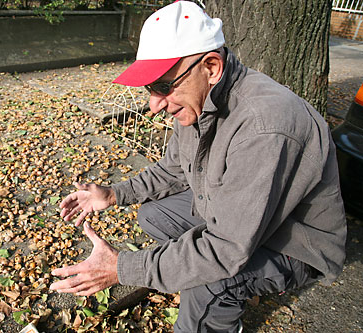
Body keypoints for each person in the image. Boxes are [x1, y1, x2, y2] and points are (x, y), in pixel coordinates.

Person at [49, 1, 347, 332]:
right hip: (242, 219)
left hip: (294, 243)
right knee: (154, 216)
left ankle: (215, 309)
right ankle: (192, 271)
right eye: (150, 88)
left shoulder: (264, 126)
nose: (154, 105)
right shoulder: (200, 101)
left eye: (163, 86)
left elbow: (224, 249)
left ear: (211, 67)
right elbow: (173, 169)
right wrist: (113, 193)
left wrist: (122, 268)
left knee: (211, 282)